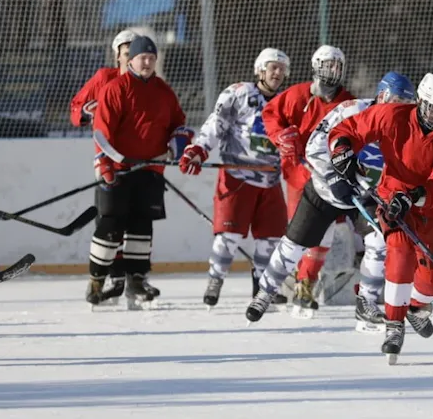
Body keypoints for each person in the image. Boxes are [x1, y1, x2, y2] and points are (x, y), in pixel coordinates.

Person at [243, 72, 416, 323]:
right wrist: (333, 176)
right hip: (325, 190)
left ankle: (366, 303)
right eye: (397, 101)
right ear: (382, 96)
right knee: (293, 245)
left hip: (366, 195)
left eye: (407, 103)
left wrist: (399, 195)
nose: (401, 108)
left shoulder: (407, 128)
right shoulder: (352, 109)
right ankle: (265, 291)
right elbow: (315, 145)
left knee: (379, 241)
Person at [326, 72, 433, 362]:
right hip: (392, 201)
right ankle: (394, 326)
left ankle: (416, 307)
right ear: (420, 102)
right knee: (399, 256)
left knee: (431, 282)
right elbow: (351, 129)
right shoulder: (392, 115)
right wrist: (342, 148)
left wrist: (412, 197)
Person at [178, 48, 290, 308]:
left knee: (270, 239)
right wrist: (199, 150)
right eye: (273, 67)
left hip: (270, 180)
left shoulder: (287, 101)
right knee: (229, 237)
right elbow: (216, 123)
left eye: (282, 69)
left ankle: (262, 287)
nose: (277, 73)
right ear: (260, 69)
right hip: (237, 176)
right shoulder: (239, 93)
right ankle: (216, 279)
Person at [88, 35, 193, 308]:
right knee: (111, 224)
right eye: (142, 58)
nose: (147, 63)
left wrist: (179, 142)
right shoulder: (115, 89)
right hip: (119, 168)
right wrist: (104, 163)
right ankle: (97, 280)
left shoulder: (164, 91)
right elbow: (102, 131)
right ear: (131, 60)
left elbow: (179, 123)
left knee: (141, 226)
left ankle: (136, 280)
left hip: (150, 169)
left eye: (151, 58)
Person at [260, 44, 354, 311]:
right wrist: (280, 137)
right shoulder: (297, 95)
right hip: (299, 175)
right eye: (328, 64)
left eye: (337, 65)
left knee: (326, 232)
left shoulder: (347, 102)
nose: (333, 70)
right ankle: (287, 280)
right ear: (316, 67)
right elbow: (271, 115)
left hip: (330, 178)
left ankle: (306, 282)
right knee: (299, 232)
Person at [70, 29, 137, 302]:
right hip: (107, 159)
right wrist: (88, 112)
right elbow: (76, 108)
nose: (131, 58)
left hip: (138, 160)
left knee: (136, 221)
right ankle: (111, 276)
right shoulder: (103, 78)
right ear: (117, 55)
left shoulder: (147, 84)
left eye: (136, 53)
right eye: (126, 53)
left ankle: (131, 279)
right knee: (110, 220)